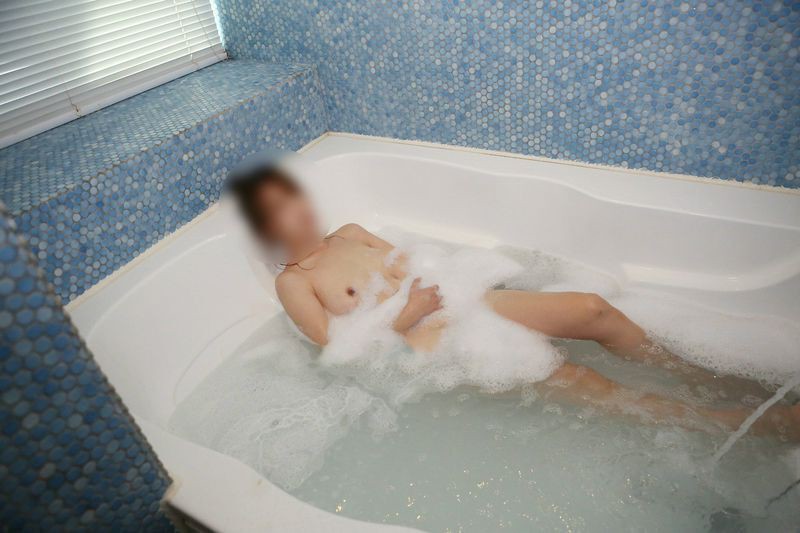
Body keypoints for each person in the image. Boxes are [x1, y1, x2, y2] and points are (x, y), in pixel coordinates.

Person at [228, 164, 799, 439]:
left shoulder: (351, 232)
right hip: (432, 342)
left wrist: (434, 282)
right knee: (580, 380)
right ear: (266, 226)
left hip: (460, 299)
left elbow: (415, 261)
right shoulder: (293, 284)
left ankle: (709, 376)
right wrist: (410, 312)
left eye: (295, 198)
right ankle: (730, 424)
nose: (299, 211)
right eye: (280, 209)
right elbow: (338, 350)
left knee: (592, 310)